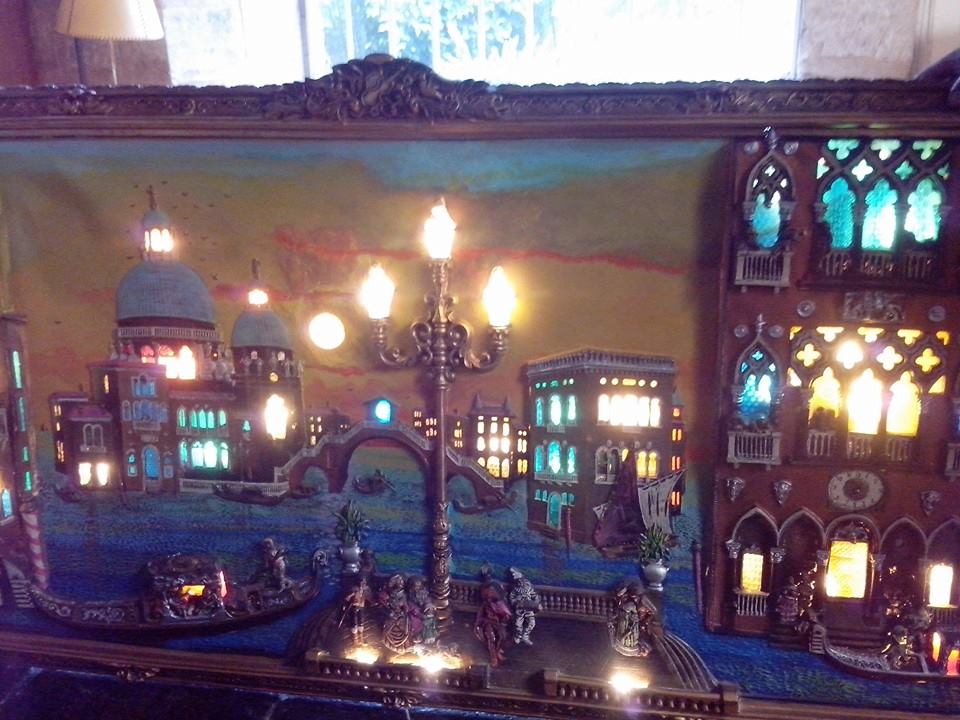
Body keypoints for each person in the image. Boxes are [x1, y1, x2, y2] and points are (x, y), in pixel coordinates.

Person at [475, 581, 512, 667]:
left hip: (499, 625)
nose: (490, 594)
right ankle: (493, 657)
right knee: (491, 637)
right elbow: (480, 617)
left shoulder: (500, 603)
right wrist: (483, 621)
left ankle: (498, 651)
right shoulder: (485, 605)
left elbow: (507, 615)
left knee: (502, 636)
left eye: (492, 591)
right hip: (487, 624)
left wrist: (504, 618)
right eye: (489, 592)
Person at [507, 567, 541, 646]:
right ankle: (517, 636)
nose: (520, 582)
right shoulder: (514, 590)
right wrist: (516, 600)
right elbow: (511, 598)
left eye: (521, 580)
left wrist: (537, 602)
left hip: (529, 608)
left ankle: (525, 636)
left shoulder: (528, 587)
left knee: (531, 623)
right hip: (520, 609)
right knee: (518, 624)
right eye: (518, 580)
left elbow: (534, 595)